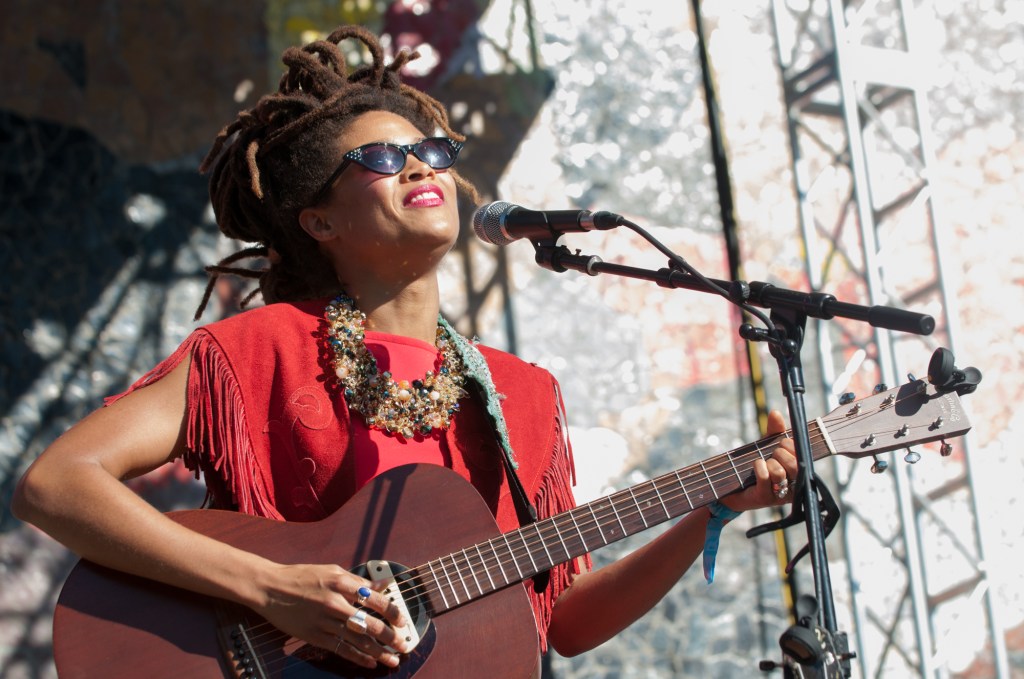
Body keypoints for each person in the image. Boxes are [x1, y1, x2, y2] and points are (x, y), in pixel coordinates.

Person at [12, 25, 797, 673]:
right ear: (320, 221)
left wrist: (713, 506)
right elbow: (55, 483)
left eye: (434, 150)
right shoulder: (254, 349)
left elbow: (562, 620)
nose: (421, 163)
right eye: (383, 158)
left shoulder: (524, 394)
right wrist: (270, 587)